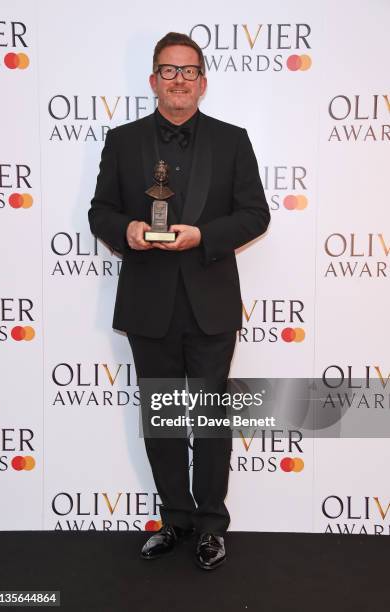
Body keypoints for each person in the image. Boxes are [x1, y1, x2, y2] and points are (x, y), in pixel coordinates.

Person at [88, 31, 270, 570]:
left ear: (203, 82)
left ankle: (212, 525)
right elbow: (100, 213)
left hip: (210, 299)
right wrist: (130, 230)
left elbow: (255, 215)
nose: (179, 80)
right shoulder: (121, 141)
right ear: (153, 80)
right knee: (162, 420)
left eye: (189, 71)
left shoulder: (232, 140)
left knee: (211, 419)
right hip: (150, 304)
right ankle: (175, 519)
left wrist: (203, 236)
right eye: (169, 70)